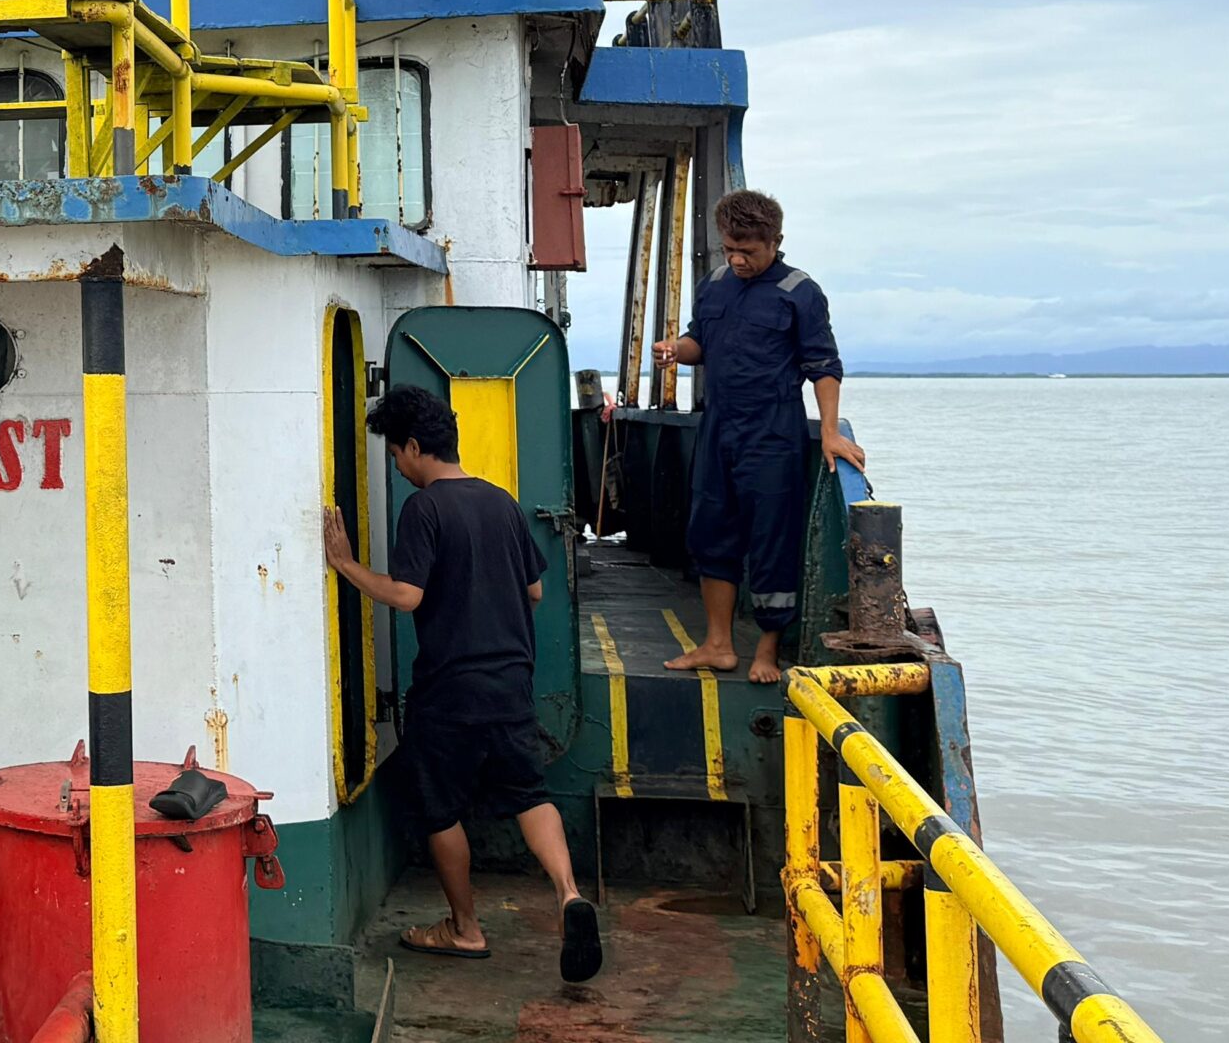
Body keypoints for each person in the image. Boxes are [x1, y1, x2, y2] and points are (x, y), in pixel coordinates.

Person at [324, 385, 603, 983]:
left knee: (440, 808)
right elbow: (535, 591)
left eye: (395, 455)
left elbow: (407, 596)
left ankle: (464, 928)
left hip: (450, 689)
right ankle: (569, 894)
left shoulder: (424, 509)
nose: (398, 467)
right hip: (511, 682)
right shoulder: (501, 502)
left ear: (414, 446)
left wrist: (346, 565)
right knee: (529, 794)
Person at [654, 188, 862, 684]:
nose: (737, 260)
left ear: (775, 242)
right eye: (730, 249)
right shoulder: (714, 285)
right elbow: (700, 342)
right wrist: (676, 349)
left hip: (773, 431)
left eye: (748, 250)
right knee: (710, 532)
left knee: (771, 538)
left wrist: (829, 431)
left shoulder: (800, 292)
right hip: (719, 427)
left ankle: (766, 651)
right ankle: (718, 645)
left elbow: (824, 366)